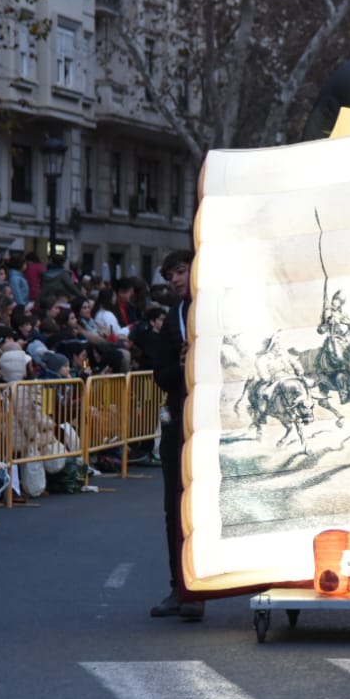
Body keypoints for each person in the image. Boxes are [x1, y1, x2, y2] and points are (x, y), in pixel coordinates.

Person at [149, 249, 202, 622]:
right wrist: (179, 365)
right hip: (178, 417)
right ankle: (182, 588)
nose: (177, 280)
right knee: (175, 505)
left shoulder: (215, 307)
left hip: (214, 417)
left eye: (181, 272)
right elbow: (160, 374)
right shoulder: (173, 317)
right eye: (171, 276)